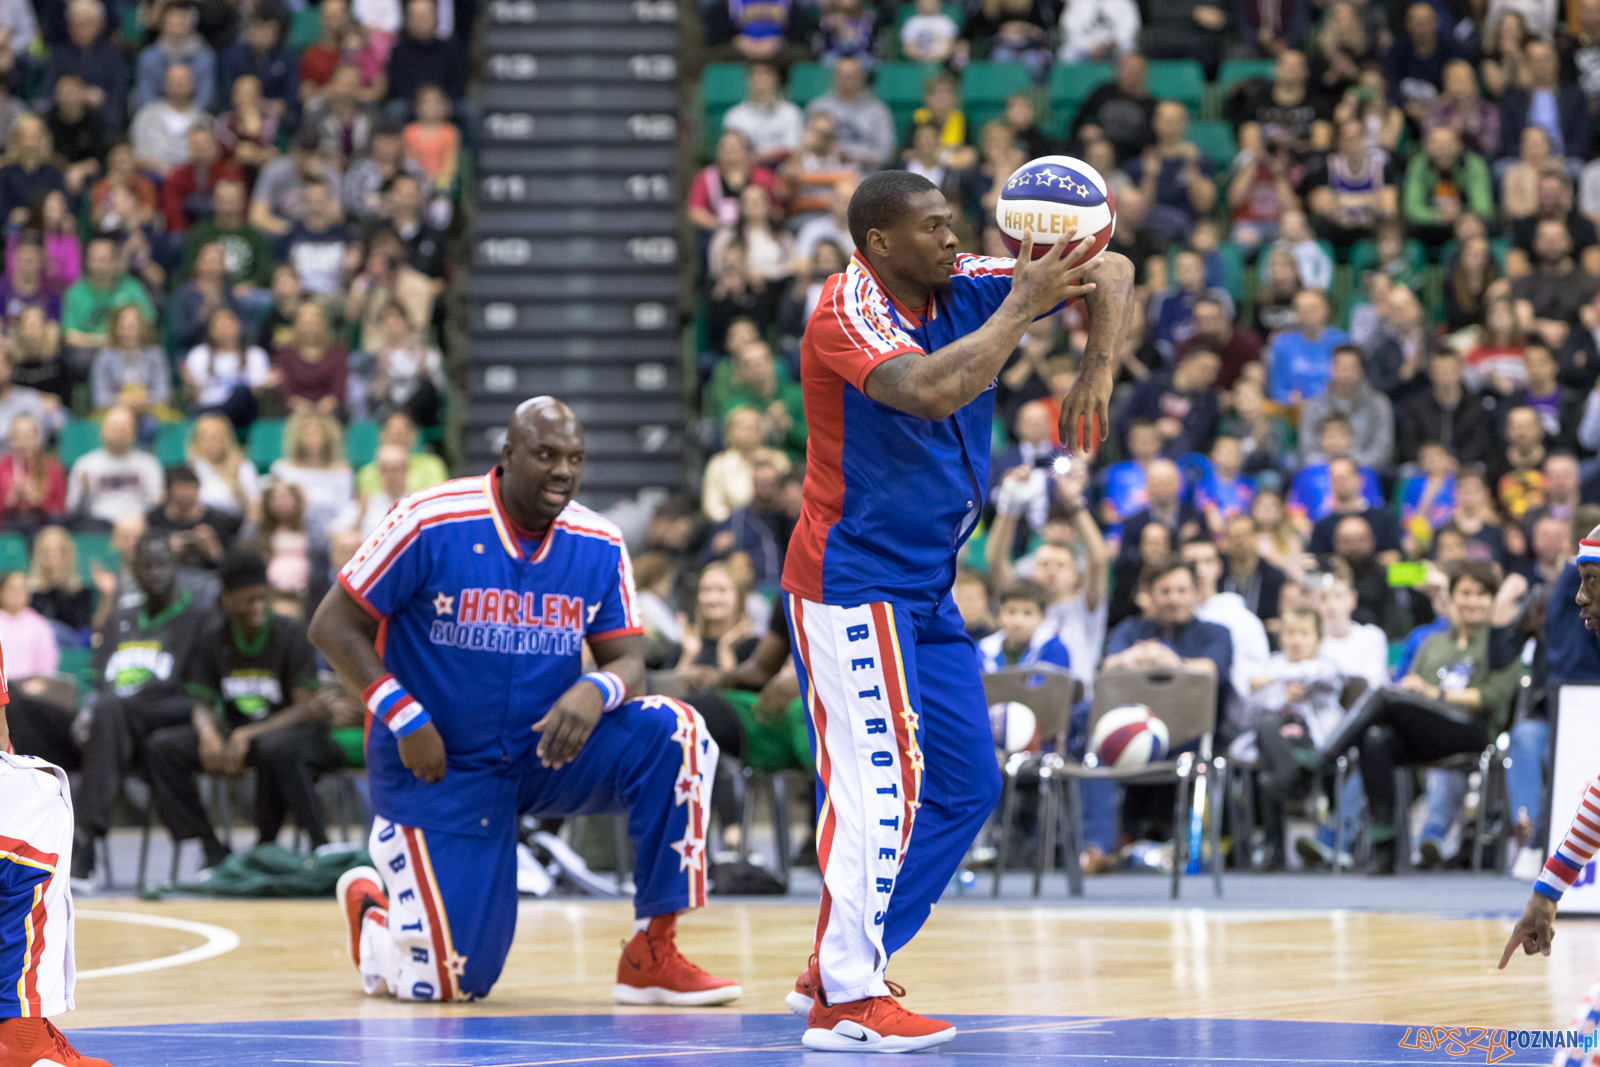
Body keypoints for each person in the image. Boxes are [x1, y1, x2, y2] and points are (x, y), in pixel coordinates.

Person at [778, 169, 1131, 1050]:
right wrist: (1023, 308)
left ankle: (840, 962)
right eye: (934, 228)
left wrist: (1095, 368)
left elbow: (1115, 268)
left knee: (968, 783)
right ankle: (847, 1000)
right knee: (881, 783)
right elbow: (931, 389)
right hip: (853, 581)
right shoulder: (844, 310)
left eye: (951, 223)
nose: (954, 238)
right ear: (879, 243)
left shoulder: (964, 281)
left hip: (928, 586)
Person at [312, 396, 741, 1006]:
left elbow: (628, 661)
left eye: (575, 458)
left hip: (545, 753)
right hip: (439, 764)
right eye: (546, 454)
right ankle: (376, 917)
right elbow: (331, 625)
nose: (563, 470)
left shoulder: (599, 540)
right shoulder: (429, 519)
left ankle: (653, 951)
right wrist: (403, 716)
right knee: (449, 983)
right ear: (508, 455)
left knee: (680, 732)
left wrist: (596, 689)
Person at [1320, 561, 1525, 873]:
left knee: (1383, 696)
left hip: (1474, 730)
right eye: (1465, 593)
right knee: (1376, 739)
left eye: (1482, 594)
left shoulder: (1500, 643)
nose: (1472, 601)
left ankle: (1323, 760)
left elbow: (1490, 698)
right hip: (1427, 732)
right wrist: (1415, 691)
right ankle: (1385, 845)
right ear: (1451, 598)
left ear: (1493, 599)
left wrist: (1433, 693)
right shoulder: (1433, 642)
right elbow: (1411, 690)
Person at [144, 549, 342, 866]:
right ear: (227, 600)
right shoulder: (213, 637)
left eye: (263, 598)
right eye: (248, 600)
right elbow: (202, 702)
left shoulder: (291, 632)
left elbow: (306, 708)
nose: (258, 606)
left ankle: (283, 844)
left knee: (275, 747)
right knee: (162, 748)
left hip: (294, 737)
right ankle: (211, 848)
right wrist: (208, 734)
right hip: (240, 738)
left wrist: (249, 733)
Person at [67, 531, 217, 878]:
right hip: (112, 724)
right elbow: (97, 684)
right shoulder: (119, 618)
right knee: (24, 710)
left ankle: (85, 844)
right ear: (134, 571)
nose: (154, 573)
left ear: (175, 566)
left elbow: (200, 693)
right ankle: (28, 840)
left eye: (161, 564)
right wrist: (88, 712)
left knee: (112, 709)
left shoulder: (200, 617)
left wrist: (105, 709)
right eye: (146, 566)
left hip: (171, 713)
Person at [1239, 604, 1344, 869]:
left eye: (1303, 633)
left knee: (1266, 776)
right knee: (1266, 727)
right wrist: (1279, 695)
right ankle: (1290, 778)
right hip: (1278, 748)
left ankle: (1274, 842)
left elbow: (1312, 674)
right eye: (1289, 633)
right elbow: (1250, 707)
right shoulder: (1273, 663)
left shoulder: (1326, 665)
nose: (1295, 640)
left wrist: (1270, 682)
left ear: (1318, 638)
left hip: (1316, 748)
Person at [65, 405, 162, 528]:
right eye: (115, 425)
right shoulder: (84, 465)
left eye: (125, 426)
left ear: (134, 431)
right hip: (97, 524)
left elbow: (155, 503)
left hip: (138, 524)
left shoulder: (149, 464)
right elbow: (72, 508)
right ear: (103, 430)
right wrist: (83, 493)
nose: (120, 430)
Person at [976, 579, 1072, 673]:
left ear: (1043, 616)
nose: (1018, 621)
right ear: (1000, 612)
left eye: (1027, 613)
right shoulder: (982, 650)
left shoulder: (1054, 649)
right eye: (1011, 612)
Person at [1269, 290, 1349, 404]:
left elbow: (1350, 381)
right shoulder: (1282, 344)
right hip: (1297, 409)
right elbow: (1277, 390)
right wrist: (1288, 398)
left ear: (1326, 309)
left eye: (1313, 308)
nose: (1309, 314)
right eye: (1303, 310)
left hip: (1334, 406)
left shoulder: (1342, 341)